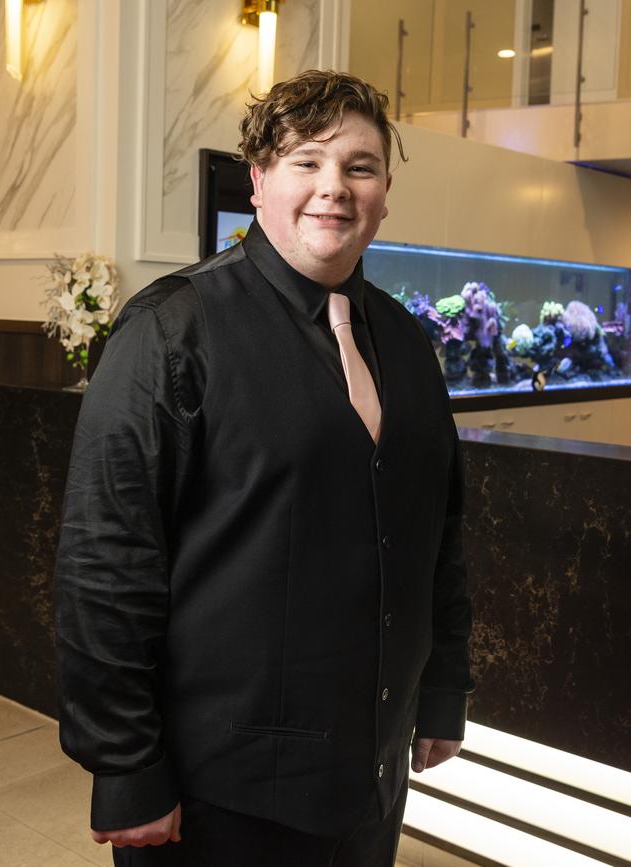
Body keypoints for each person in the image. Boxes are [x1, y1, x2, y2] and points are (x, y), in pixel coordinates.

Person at [54, 69, 475, 867]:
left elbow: (438, 535)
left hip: (369, 781)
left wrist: (442, 690)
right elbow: (105, 565)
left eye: (359, 167)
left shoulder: (411, 344)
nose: (335, 189)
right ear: (257, 182)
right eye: (305, 162)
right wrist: (124, 762)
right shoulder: (171, 330)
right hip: (219, 792)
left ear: (385, 191)